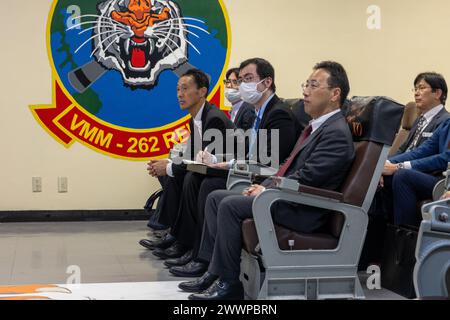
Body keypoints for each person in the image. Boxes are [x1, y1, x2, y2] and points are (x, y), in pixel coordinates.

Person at [180, 61, 355, 300]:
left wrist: (266, 188)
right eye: (306, 84)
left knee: (228, 204)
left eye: (314, 85)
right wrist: (266, 186)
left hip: (305, 208)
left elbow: (308, 177)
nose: (305, 91)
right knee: (215, 197)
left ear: (335, 94)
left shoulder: (335, 133)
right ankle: (216, 271)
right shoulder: (319, 127)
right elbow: (290, 168)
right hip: (289, 196)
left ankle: (230, 285)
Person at [166, 58, 301, 277]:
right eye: (240, 80)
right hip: (248, 172)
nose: (241, 85)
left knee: (209, 185)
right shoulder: (257, 112)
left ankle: (204, 260)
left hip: (262, 181)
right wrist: (217, 158)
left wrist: (229, 164)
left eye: (248, 79)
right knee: (198, 179)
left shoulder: (279, 114)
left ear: (266, 83)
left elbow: (269, 163)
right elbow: (247, 152)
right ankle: (195, 251)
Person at [139, 69, 235, 259]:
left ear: (202, 92)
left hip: (225, 174)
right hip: (208, 170)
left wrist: (168, 168)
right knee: (176, 174)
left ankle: (184, 241)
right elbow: (191, 153)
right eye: (177, 89)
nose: (180, 94)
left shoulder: (214, 118)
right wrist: (168, 163)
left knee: (187, 177)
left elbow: (202, 162)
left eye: (185, 89)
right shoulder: (196, 118)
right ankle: (175, 235)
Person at [383, 118, 450, 226]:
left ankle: (405, 236)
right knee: (384, 177)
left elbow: (445, 159)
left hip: (445, 183)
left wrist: (399, 166)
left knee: (403, 176)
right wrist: (384, 164)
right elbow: (422, 151)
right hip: (440, 180)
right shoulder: (447, 123)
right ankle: (381, 234)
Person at [393, 72, 450, 156]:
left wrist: (397, 165)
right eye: (415, 89)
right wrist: (385, 162)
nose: (416, 93)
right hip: (399, 165)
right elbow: (403, 149)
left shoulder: (445, 121)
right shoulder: (419, 120)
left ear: (437, 93)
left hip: (420, 167)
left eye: (421, 88)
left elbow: (438, 158)